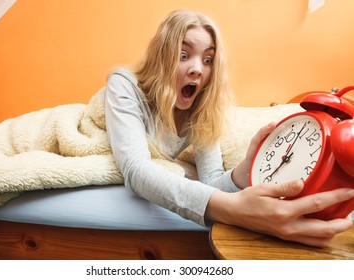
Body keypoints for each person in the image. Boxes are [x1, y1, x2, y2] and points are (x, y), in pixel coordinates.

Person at [104, 9, 354, 247]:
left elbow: (211, 180)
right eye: (183, 55)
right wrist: (231, 209)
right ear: (162, 56)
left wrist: (244, 172)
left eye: (208, 59)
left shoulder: (199, 108)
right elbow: (136, 169)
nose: (197, 69)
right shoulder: (124, 84)